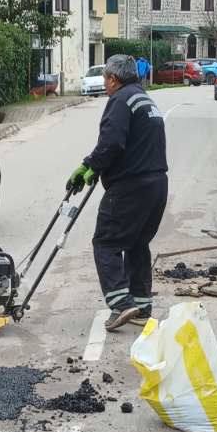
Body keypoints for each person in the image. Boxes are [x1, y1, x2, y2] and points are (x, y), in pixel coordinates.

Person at [66, 53, 168, 330]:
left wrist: (90, 165)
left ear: (113, 78)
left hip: (131, 187)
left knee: (106, 243)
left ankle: (121, 304)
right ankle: (142, 306)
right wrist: (94, 167)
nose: (104, 83)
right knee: (137, 244)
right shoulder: (144, 98)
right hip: (157, 185)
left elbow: (111, 143)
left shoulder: (120, 100)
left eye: (105, 78)